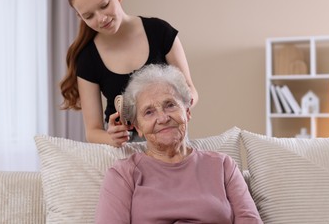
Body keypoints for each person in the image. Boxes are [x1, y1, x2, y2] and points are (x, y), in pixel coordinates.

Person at [95, 64, 262, 223]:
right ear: (138, 128)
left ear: (187, 112)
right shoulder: (123, 174)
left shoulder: (223, 165)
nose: (163, 118)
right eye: (149, 112)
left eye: (170, 105)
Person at [60, 0, 198, 147]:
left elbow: (190, 91)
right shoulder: (87, 58)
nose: (101, 18)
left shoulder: (160, 32)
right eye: (89, 16)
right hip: (126, 147)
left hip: (169, 135)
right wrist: (113, 137)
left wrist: (174, 112)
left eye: (104, 5)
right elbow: (92, 131)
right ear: (80, 17)